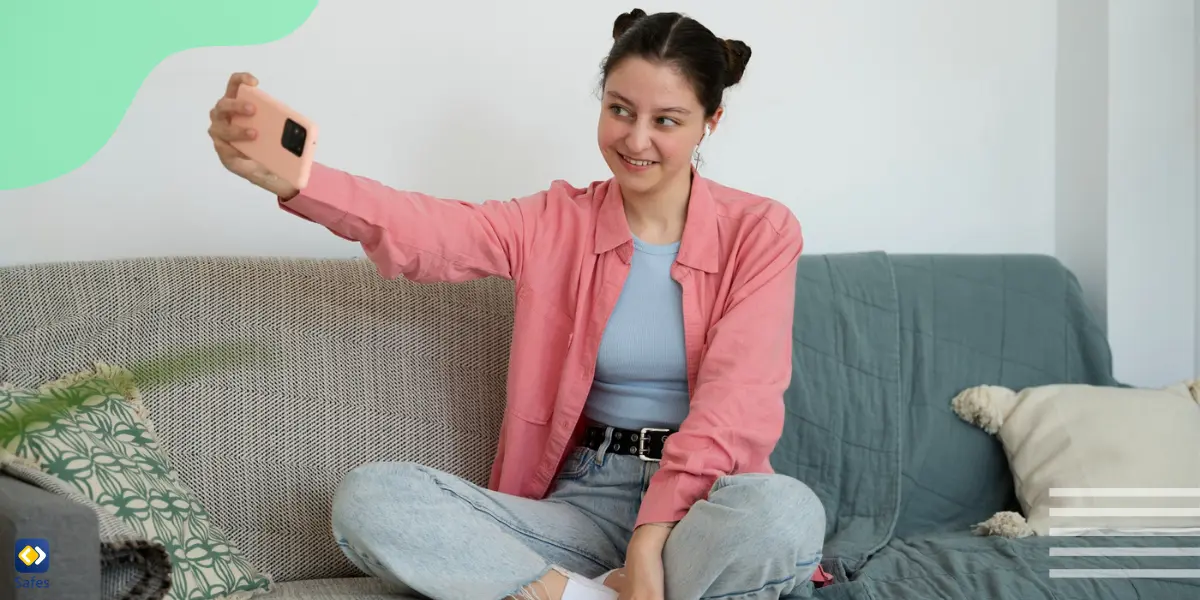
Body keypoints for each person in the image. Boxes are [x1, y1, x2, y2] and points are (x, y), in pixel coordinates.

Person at [208, 8, 826, 600]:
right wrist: (300, 180)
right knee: (371, 498)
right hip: (582, 506)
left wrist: (649, 541)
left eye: (666, 120)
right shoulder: (557, 220)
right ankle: (586, 596)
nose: (636, 139)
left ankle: (586, 589)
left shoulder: (761, 232)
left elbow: (734, 405)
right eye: (619, 110)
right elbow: (431, 230)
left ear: (709, 122)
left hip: (701, 511)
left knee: (785, 515)